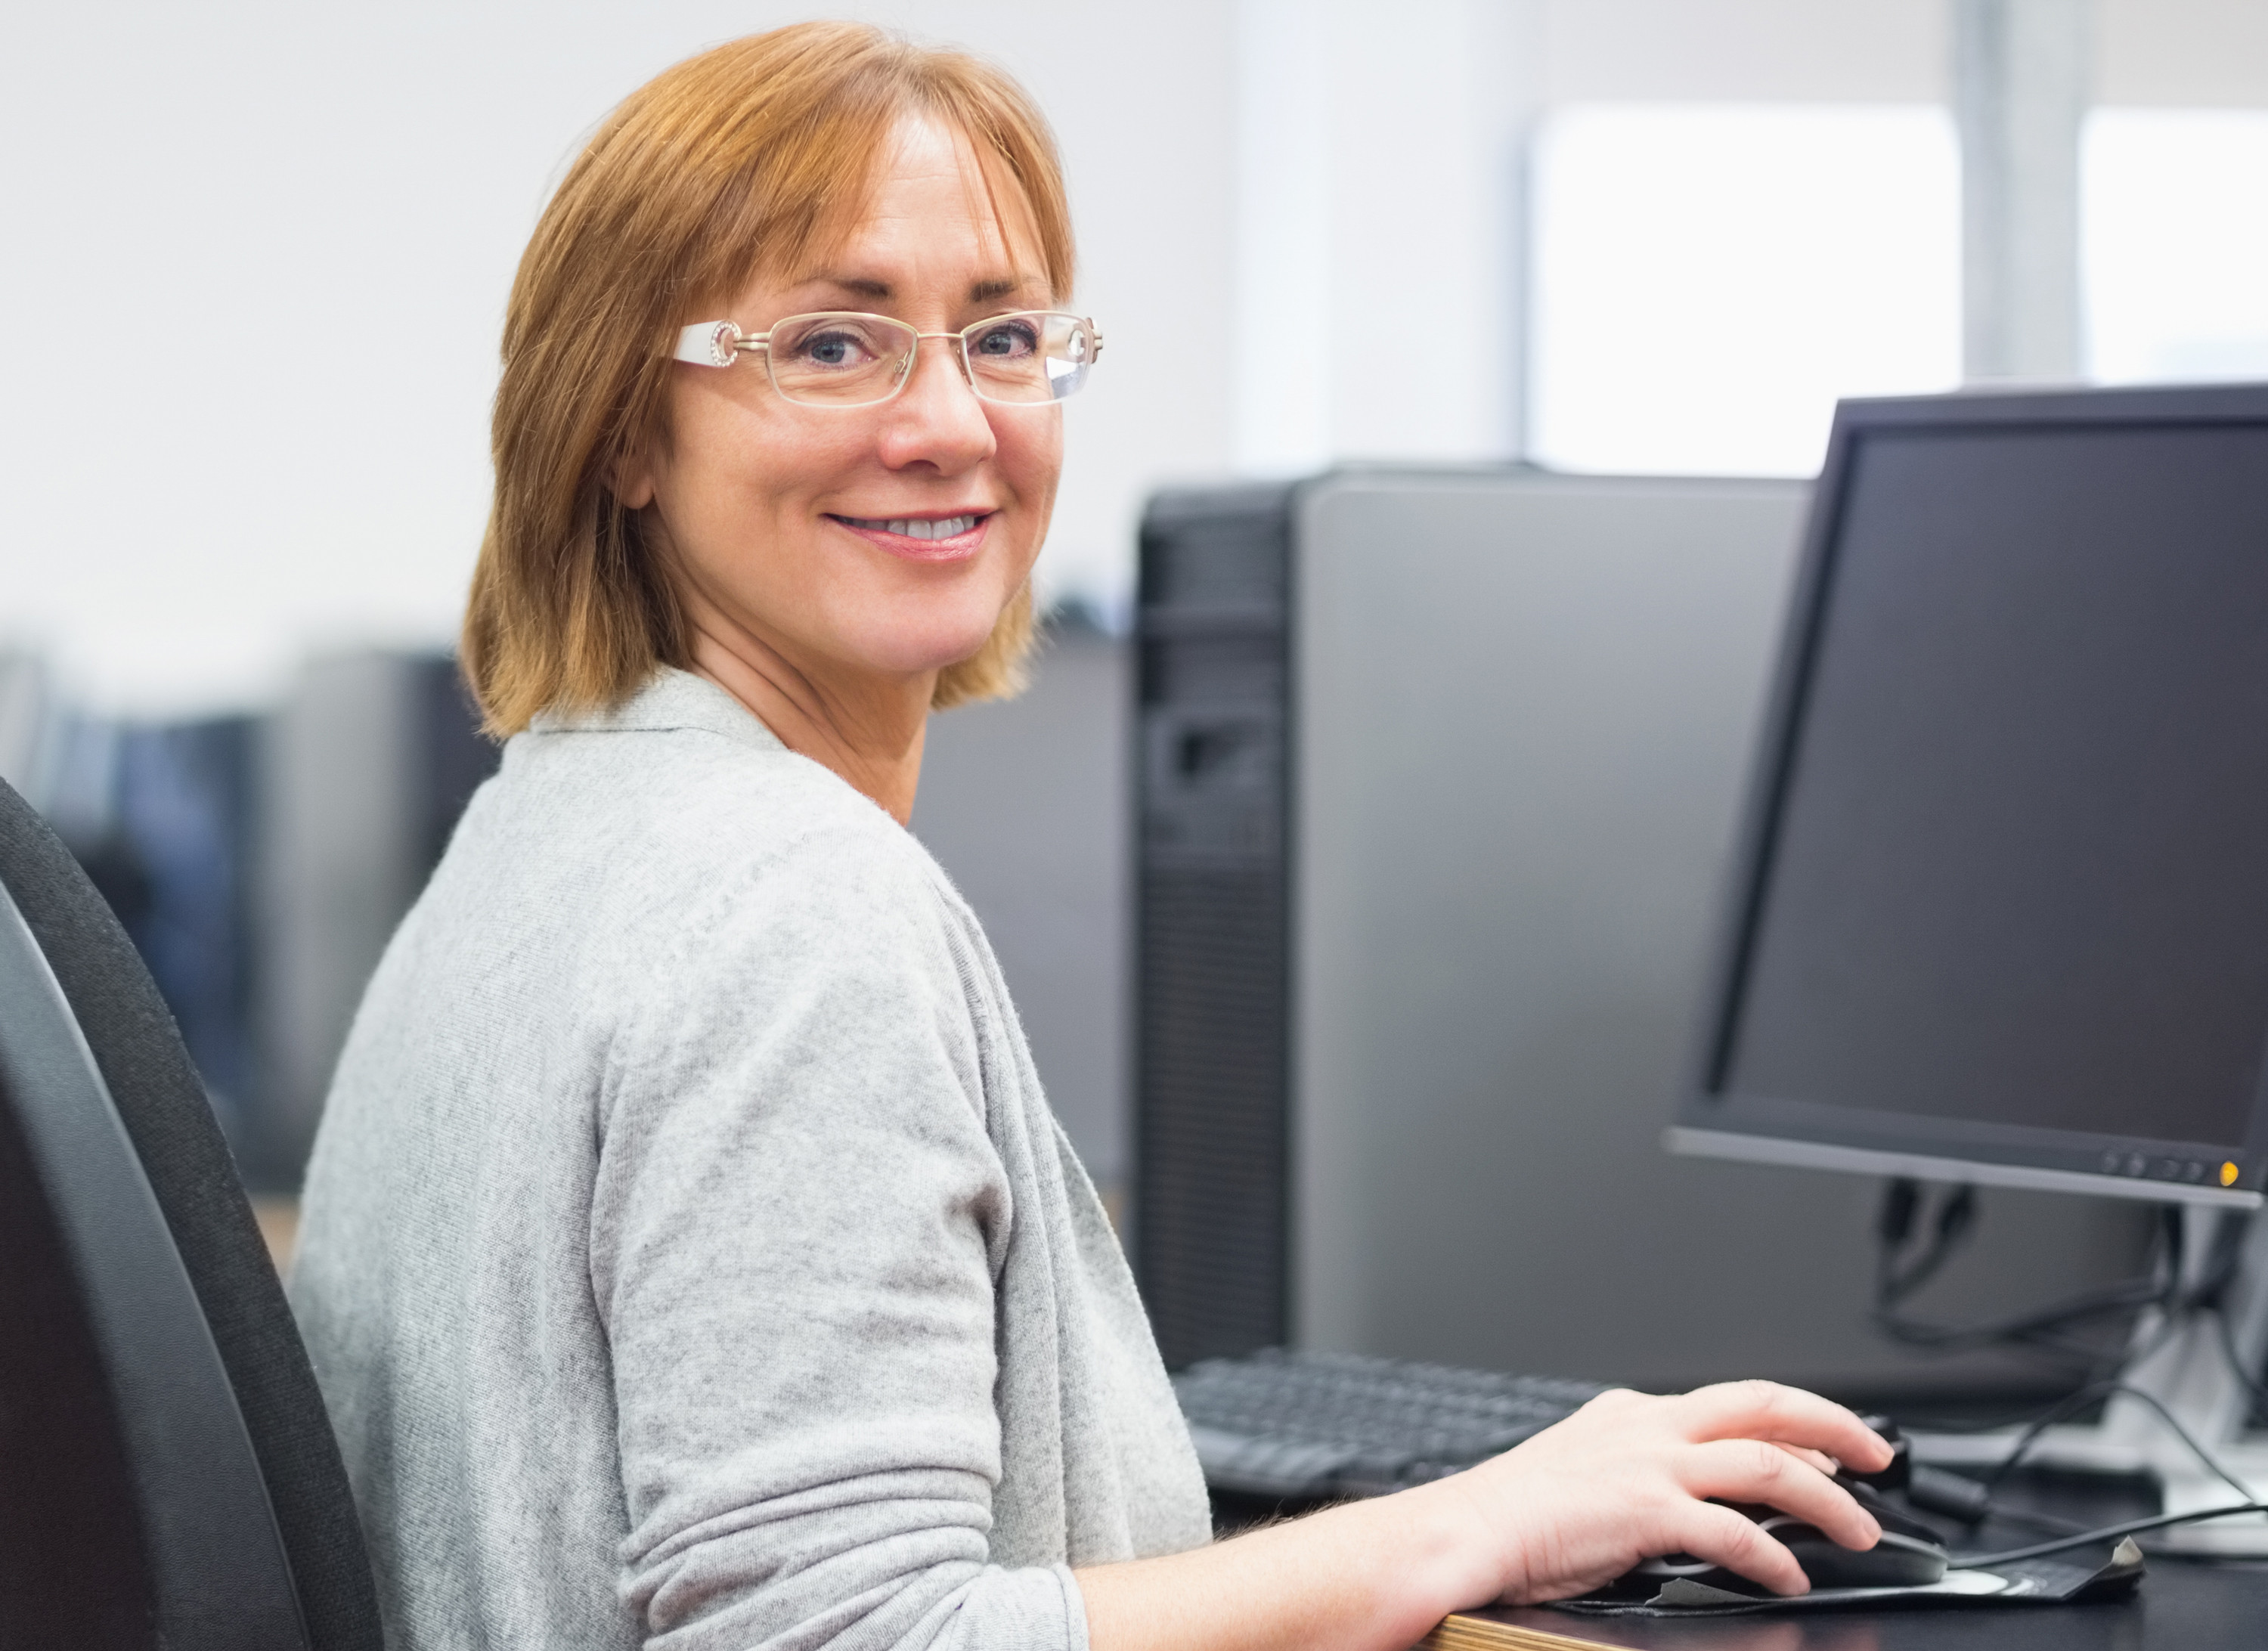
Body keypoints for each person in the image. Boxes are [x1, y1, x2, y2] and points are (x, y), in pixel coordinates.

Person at [288, 21, 1892, 1651]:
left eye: (1000, 336)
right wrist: (1467, 1523)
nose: (952, 425)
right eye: (833, 345)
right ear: (624, 430)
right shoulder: (785, 908)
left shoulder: (548, 832)